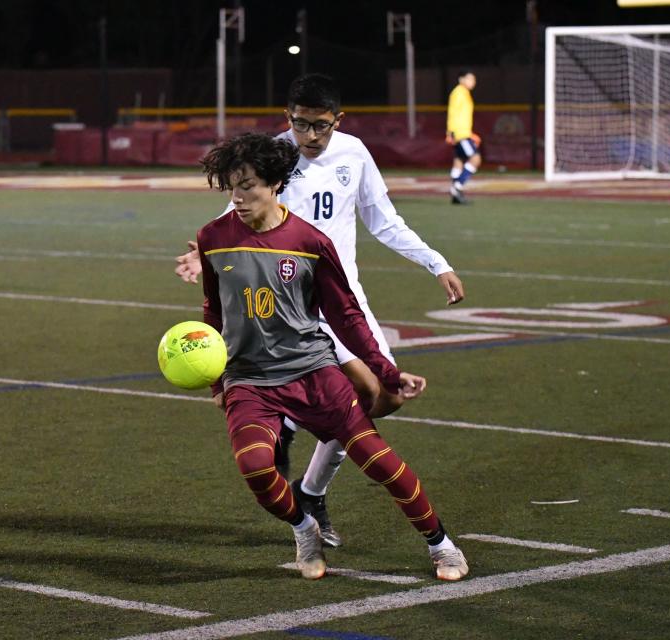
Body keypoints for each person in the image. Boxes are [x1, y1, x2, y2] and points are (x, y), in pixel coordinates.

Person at [175, 73, 465, 548]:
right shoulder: (273, 157)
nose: (309, 136)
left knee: (385, 399)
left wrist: (438, 263)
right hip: (293, 304)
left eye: (320, 126)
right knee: (365, 394)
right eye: (300, 124)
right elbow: (243, 210)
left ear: (338, 120)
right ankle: (298, 457)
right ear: (287, 118)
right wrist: (200, 253)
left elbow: (385, 221)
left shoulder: (354, 153)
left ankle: (310, 488)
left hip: (343, 295)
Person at [446, 71, 482, 205]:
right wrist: (452, 132)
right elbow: (453, 113)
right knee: (476, 159)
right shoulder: (459, 92)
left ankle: (456, 195)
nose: (473, 82)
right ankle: (457, 186)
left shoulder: (463, 93)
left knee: (459, 160)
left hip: (461, 132)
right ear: (461, 79)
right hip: (460, 134)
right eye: (470, 79)